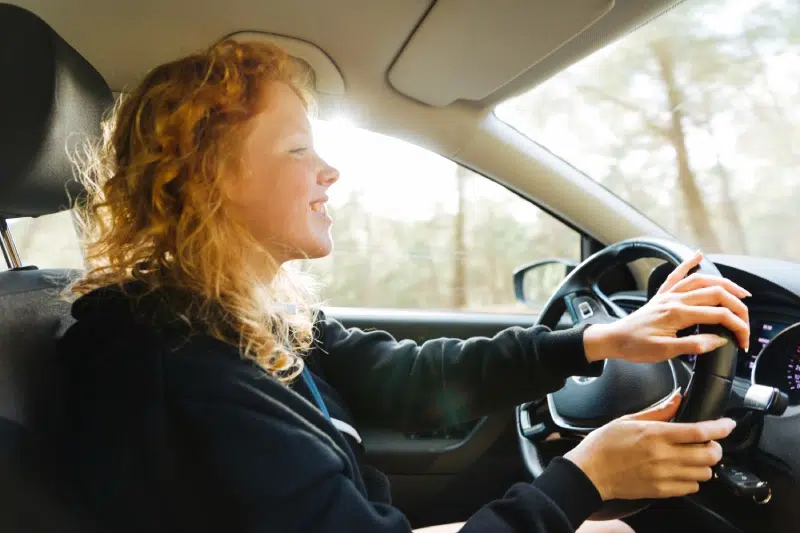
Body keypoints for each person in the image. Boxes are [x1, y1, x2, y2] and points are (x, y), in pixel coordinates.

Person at [55, 39, 750, 533]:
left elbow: (404, 377)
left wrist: (600, 341)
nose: (330, 171)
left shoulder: (237, 315)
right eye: (298, 149)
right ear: (209, 179)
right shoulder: (183, 366)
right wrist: (586, 478)